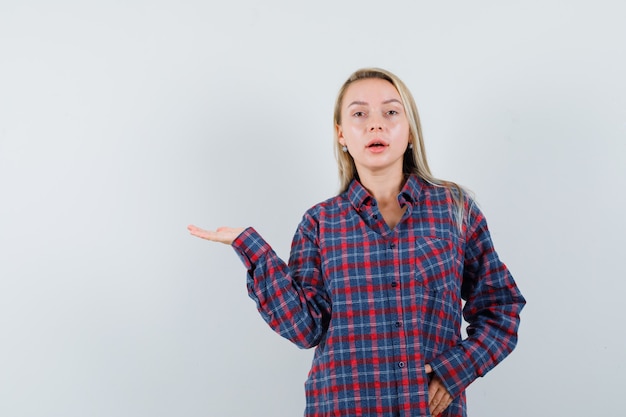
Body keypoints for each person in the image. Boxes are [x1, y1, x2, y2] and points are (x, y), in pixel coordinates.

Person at [188, 68, 526, 417]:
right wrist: (251, 248)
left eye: (391, 112)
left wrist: (455, 370)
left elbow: (501, 308)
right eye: (359, 114)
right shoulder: (320, 223)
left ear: (410, 130)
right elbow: (305, 328)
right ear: (341, 135)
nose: (375, 125)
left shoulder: (455, 210)